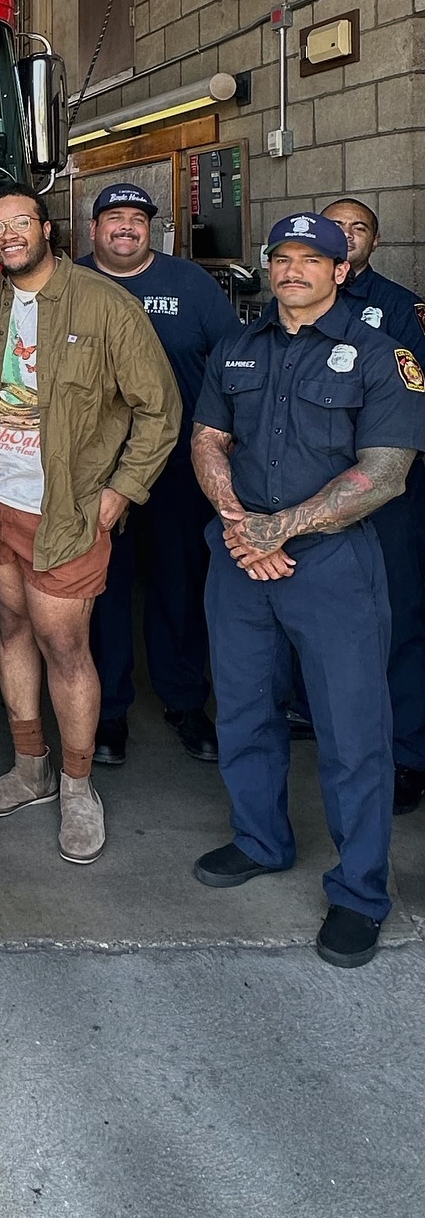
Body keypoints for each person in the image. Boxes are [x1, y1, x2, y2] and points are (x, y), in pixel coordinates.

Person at [190, 211, 425, 970]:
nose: (292, 270)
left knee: (353, 734)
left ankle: (360, 893)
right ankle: (260, 840)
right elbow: (207, 440)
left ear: (341, 270)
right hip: (239, 559)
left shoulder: (381, 355)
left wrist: (278, 531)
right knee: (247, 708)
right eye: (282, 258)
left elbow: (386, 472)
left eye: (310, 259)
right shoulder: (239, 346)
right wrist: (238, 525)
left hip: (330, 568)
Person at [0, 186, 178, 866]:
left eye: (22, 222)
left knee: (65, 647)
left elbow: (159, 409)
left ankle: (78, 785)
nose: (9, 235)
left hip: (67, 514)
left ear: (47, 229)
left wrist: (120, 493)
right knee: (13, 629)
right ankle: (31, 769)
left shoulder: (106, 304)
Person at [79, 183, 240, 766]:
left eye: (137, 219)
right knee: (104, 591)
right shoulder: (70, 284)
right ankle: (109, 714)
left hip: (177, 468)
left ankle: (184, 702)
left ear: (153, 229)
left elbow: (232, 361)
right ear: (92, 229)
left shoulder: (191, 284)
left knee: (179, 587)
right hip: (94, 473)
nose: (126, 227)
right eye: (114, 217)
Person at [321, 197, 425, 816]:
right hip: (315, 489)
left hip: (385, 490)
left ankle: (407, 754)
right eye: (336, 227)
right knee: (332, 621)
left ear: (374, 242)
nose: (347, 236)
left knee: (400, 620)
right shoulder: (299, 303)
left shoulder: (400, 309)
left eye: (358, 228)